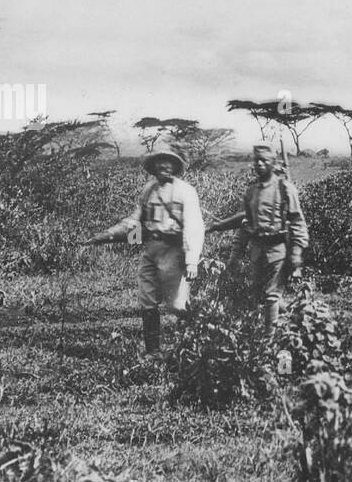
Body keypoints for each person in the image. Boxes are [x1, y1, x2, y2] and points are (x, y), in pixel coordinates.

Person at [82, 146, 204, 353]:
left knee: (176, 304)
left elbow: (194, 225)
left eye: (168, 162)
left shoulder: (185, 191)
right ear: (153, 166)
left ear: (175, 166)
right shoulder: (149, 190)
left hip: (174, 251)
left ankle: (197, 339)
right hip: (151, 250)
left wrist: (192, 259)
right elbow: (135, 222)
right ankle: (153, 352)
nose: (164, 166)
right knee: (147, 300)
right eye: (160, 162)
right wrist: (104, 237)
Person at [208, 144, 310, 328]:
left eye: (265, 160)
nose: (260, 164)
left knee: (271, 295)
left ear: (273, 163)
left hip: (278, 249)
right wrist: (235, 254)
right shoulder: (251, 191)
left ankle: (269, 342)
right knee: (259, 295)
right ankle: (296, 315)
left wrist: (296, 253)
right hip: (257, 250)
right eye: (257, 160)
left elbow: (297, 222)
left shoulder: (285, 188)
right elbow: (244, 224)